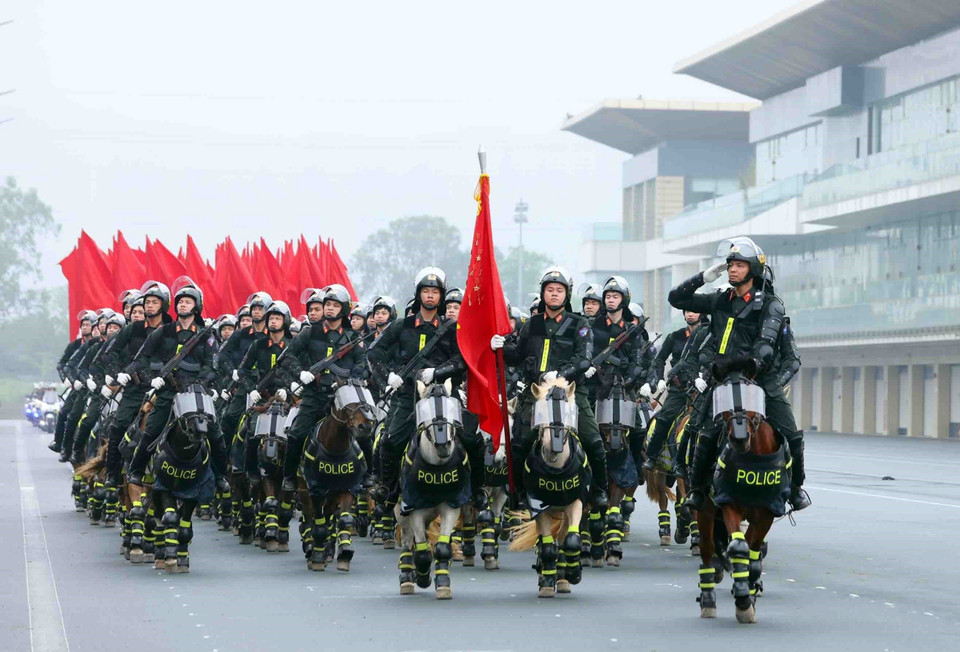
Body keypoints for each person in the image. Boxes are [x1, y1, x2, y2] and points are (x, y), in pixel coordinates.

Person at [668, 236, 810, 512]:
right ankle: (697, 490)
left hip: (760, 379)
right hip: (722, 380)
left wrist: (752, 365)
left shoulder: (770, 304)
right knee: (703, 433)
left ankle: (795, 489)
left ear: (753, 269)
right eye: (730, 265)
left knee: (791, 433)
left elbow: (766, 346)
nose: (732, 269)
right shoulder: (720, 300)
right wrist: (702, 277)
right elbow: (676, 298)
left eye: (739, 265)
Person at [367, 267, 485, 509]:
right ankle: (387, 490)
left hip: (444, 395)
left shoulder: (451, 328)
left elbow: (461, 360)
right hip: (408, 395)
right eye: (426, 291)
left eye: (435, 291)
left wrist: (437, 372)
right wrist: (388, 376)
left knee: (472, 439)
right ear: (418, 294)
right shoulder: (401, 325)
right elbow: (374, 352)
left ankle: (477, 490)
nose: (430, 295)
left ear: (441, 296)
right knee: (390, 441)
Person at [492, 266, 609, 508]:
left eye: (559, 290)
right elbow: (516, 356)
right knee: (519, 443)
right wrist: (499, 347)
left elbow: (584, 359)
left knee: (593, 441)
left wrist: (561, 374)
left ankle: (599, 489)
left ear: (567, 294)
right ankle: (518, 493)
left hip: (570, 393)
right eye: (550, 289)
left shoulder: (580, 324)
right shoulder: (531, 324)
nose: (554, 294)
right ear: (543, 293)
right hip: (536, 393)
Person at [126, 280, 227, 490]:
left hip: (196, 393)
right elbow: (140, 359)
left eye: (188, 301)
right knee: (152, 430)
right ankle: (136, 471)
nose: (183, 304)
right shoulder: (163, 332)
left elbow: (212, 366)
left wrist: (199, 383)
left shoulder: (206, 335)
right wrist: (151, 378)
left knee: (215, 434)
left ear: (196, 306)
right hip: (168, 392)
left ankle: (220, 476)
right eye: (180, 301)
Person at [280, 285, 368, 491]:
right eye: (327, 304)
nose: (329, 308)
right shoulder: (310, 333)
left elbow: (362, 363)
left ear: (343, 309)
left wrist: (352, 380)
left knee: (364, 430)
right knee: (296, 434)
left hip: (343, 397)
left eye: (335, 305)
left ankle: (369, 475)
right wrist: (301, 373)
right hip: (315, 394)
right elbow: (287, 356)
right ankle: (289, 476)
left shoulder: (353, 337)